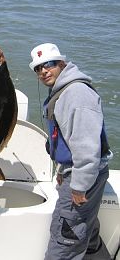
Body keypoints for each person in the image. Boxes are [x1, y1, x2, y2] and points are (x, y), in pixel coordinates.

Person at [29, 43, 113, 260]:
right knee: (85, 231)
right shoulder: (63, 91)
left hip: (82, 177)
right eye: (38, 68)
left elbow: (87, 147)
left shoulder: (76, 94)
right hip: (74, 170)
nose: (43, 71)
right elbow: (68, 139)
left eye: (49, 64)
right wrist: (62, 169)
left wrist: (79, 185)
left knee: (65, 239)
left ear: (62, 63)